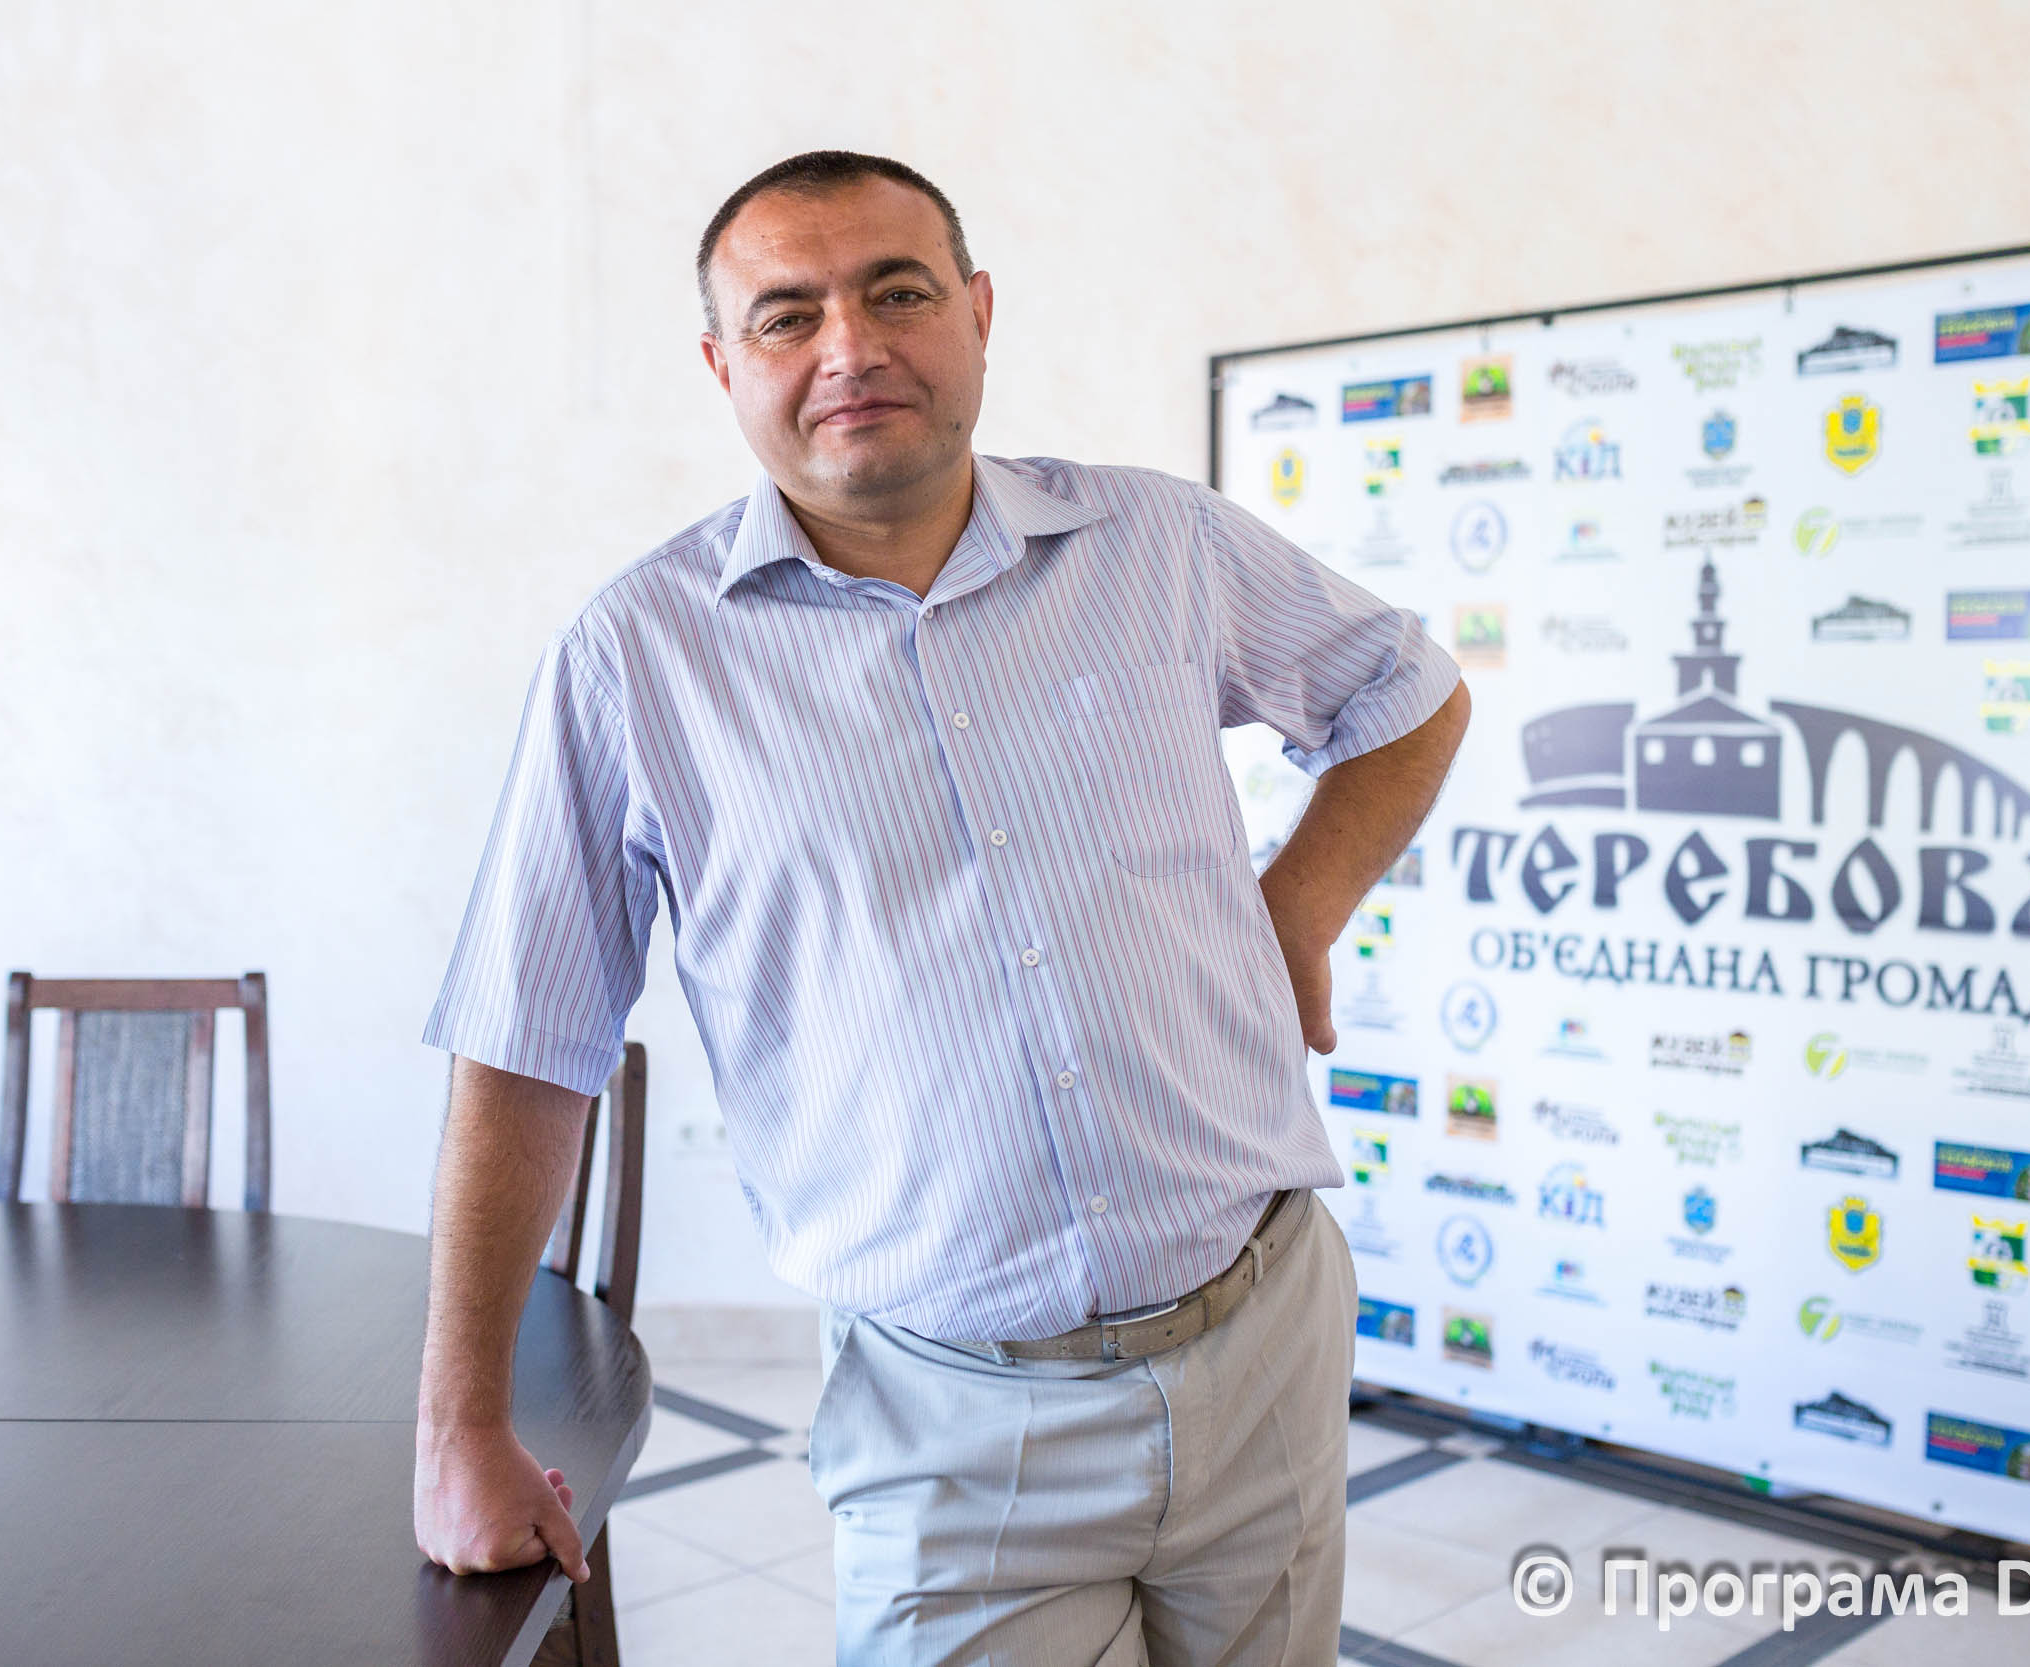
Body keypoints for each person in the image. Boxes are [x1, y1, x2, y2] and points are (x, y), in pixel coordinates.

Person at [411, 148, 1469, 1665]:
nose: (850, 346)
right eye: (787, 316)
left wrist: (1292, 912)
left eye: (896, 292)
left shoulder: (1159, 548)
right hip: (955, 1424)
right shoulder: (637, 661)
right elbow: (526, 1045)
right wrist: (462, 1425)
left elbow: (1404, 694)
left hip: (1265, 1338)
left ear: (976, 313)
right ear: (723, 367)